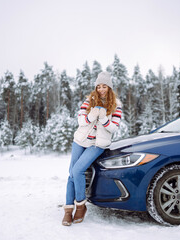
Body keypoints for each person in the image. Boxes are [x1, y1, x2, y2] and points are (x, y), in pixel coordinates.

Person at [62, 71, 123, 226]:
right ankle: (68, 210)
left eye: (104, 86)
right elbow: (81, 121)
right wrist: (92, 114)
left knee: (78, 171)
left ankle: (81, 206)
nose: (101, 89)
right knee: (71, 174)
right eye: (99, 86)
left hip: (97, 145)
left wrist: (102, 118)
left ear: (109, 87)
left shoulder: (116, 105)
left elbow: (114, 128)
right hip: (80, 141)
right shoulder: (89, 101)